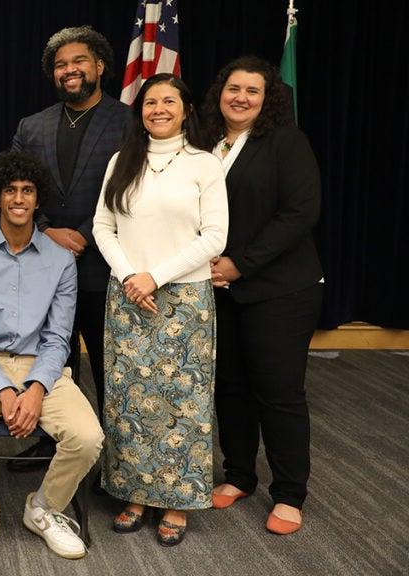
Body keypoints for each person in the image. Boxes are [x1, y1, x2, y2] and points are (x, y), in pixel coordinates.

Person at [0, 151, 103, 562]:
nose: (18, 198)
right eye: (10, 191)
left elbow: (58, 337)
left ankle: (45, 508)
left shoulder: (60, 260)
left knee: (88, 438)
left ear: (37, 199)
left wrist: (33, 389)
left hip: (44, 368)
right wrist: (2, 389)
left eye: (27, 191)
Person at [92, 73, 228, 546]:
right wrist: (132, 275)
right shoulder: (121, 161)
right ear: (140, 111)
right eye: (150, 102)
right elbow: (101, 226)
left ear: (186, 109)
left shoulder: (204, 165)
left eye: (169, 101)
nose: (159, 109)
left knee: (180, 404)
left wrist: (156, 275)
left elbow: (215, 237)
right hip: (127, 298)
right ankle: (135, 494)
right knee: (129, 401)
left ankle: (176, 501)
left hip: (183, 302)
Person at [203, 56, 323, 536]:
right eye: (234, 88)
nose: (240, 98)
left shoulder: (286, 142)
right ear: (221, 92)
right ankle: (239, 475)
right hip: (219, 290)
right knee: (229, 386)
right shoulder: (206, 144)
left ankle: (290, 493)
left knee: (277, 392)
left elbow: (300, 213)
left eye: (252, 91)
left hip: (279, 289)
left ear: (267, 97)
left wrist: (240, 264)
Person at [9, 26, 131, 468]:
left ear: (99, 66)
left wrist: (82, 231)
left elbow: (132, 190)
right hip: (42, 265)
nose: (70, 70)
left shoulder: (128, 121)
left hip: (102, 266)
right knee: (48, 361)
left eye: (78, 61)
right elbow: (14, 183)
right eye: (60, 65)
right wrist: (46, 229)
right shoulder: (32, 126)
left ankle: (116, 461)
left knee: (107, 368)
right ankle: (51, 439)